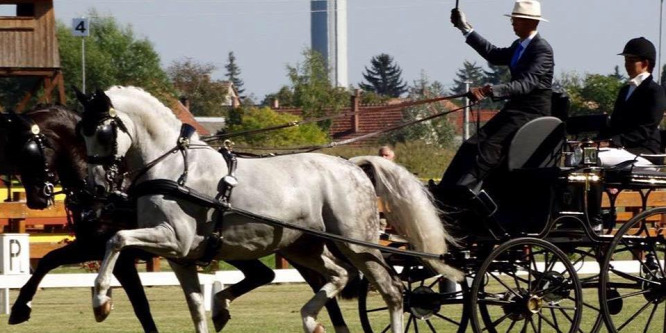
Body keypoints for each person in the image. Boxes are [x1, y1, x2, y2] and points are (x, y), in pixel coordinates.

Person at [438, 0, 554, 196]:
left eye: (516, 19)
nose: (512, 23)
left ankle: (464, 191)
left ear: (529, 22)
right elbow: (493, 55)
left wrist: (488, 90)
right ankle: (445, 189)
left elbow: (525, 84)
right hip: (514, 111)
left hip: (532, 114)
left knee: (489, 146)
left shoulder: (541, 50)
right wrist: (464, 29)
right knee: (470, 144)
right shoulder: (519, 46)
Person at [597, 37, 666, 167]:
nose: (626, 65)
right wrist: (595, 141)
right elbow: (615, 124)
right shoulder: (625, 90)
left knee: (594, 158)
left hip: (644, 152)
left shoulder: (655, 91)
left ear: (645, 64)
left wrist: (613, 142)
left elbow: (645, 129)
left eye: (631, 61)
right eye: (625, 61)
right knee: (583, 154)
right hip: (621, 149)